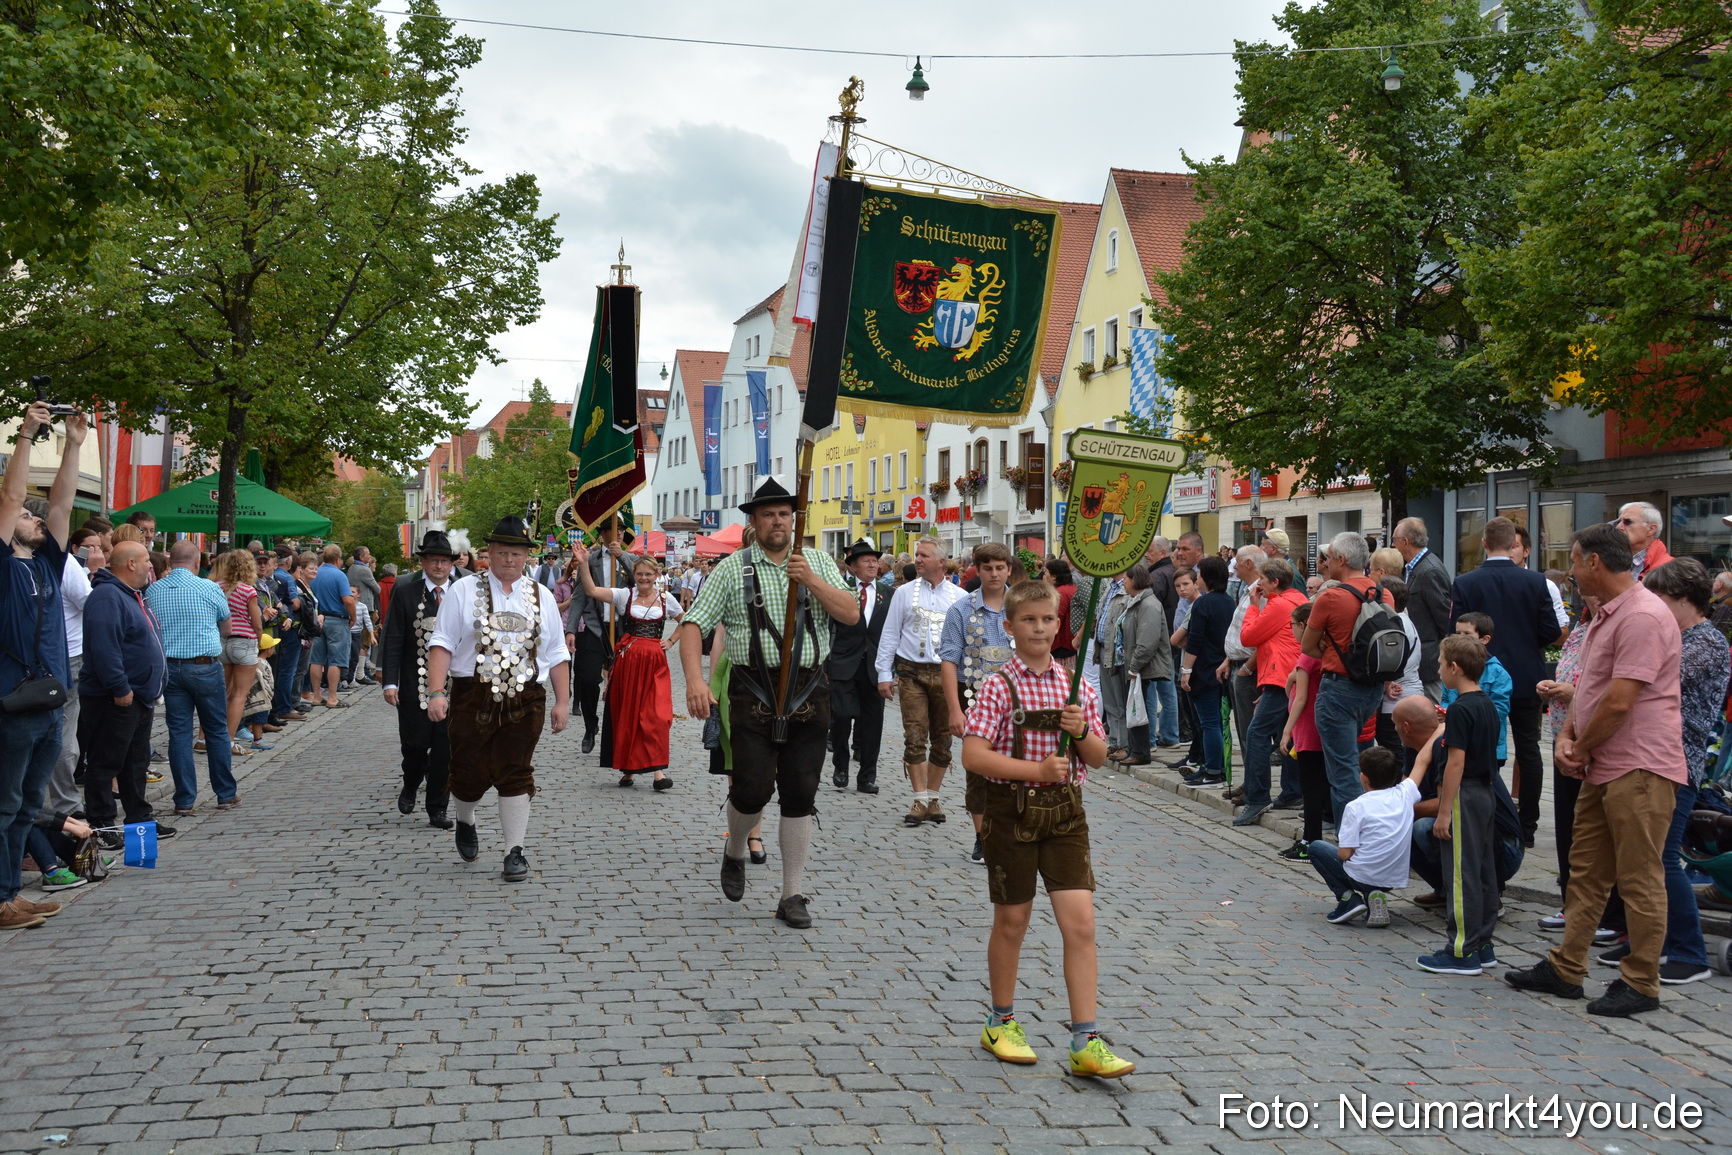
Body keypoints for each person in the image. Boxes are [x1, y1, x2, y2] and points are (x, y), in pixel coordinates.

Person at [1505, 524, 1687, 1017]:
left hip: (1640, 765)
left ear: (1595, 563)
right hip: (1605, 763)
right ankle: (1566, 967)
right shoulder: (1608, 614)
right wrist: (1568, 737)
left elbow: (1621, 701)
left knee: (1639, 877)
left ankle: (1641, 983)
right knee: (1585, 872)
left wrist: (1579, 745)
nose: (1570, 570)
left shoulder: (1642, 615)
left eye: (1574, 560)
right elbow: (1589, 688)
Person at [963, 579, 1132, 1079]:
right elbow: (973, 755)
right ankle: (1000, 1022)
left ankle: (1086, 1039)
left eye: (1047, 620)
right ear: (1010, 626)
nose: (1039, 628)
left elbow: (1097, 758)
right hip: (1010, 813)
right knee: (1012, 922)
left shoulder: (1076, 685)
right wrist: (1035, 770)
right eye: (1029, 620)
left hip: (1066, 816)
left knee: (1081, 925)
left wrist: (1080, 732)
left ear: (1059, 624)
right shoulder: (998, 686)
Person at [679, 478, 858, 930]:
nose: (777, 521)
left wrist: (810, 580)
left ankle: (791, 894)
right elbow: (693, 624)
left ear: (793, 520)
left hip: (809, 690)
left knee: (801, 792)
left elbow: (851, 613)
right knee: (752, 789)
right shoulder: (732, 569)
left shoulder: (818, 561)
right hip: (752, 690)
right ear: (754, 522)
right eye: (768, 515)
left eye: (784, 514)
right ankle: (735, 848)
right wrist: (696, 681)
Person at [1597, 559, 1728, 985]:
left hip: (1677, 761)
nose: (1651, 605)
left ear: (1684, 599)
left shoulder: (1706, 642)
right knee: (1638, 855)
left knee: (1661, 858)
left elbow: (1647, 679)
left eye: (1658, 597)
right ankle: (1647, 940)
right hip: (1651, 756)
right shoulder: (1679, 636)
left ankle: (1689, 953)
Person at [425, 517, 572, 883]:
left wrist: (562, 701)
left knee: (515, 770)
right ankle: (465, 819)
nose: (509, 559)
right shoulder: (463, 590)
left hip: (526, 696)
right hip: (472, 694)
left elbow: (556, 651)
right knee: (468, 771)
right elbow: (441, 642)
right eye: (503, 552)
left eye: (516, 553)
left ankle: (513, 850)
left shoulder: (541, 595)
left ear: (526, 556)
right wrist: (436, 692)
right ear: (488, 553)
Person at [0, 403, 85, 932]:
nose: (35, 519)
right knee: (5, 805)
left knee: (28, 805)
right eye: (26, 518)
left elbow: (62, 502)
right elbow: (12, 497)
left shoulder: (48, 562)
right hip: (13, 705)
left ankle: (10, 895)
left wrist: (73, 443)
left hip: (51, 703)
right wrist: (27, 434)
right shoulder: (4, 564)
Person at [1448, 516, 1564, 848]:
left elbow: (1454, 631)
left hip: (1480, 675)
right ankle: (1527, 826)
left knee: (1482, 746)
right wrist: (1526, 642)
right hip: (1527, 675)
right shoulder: (1536, 582)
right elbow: (1552, 630)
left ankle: (1488, 818)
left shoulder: (1466, 582)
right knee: (1528, 749)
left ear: (1484, 544)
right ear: (1514, 544)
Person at [1410, 634, 1503, 975]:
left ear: (1454, 667)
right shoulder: (1486, 703)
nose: (1438, 670)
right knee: (1483, 871)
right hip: (1485, 793)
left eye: (1440, 664)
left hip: (1465, 794)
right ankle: (1483, 943)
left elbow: (1455, 763)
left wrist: (1444, 811)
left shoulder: (1461, 709)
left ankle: (1462, 949)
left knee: (1461, 875)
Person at [79, 540, 174, 840]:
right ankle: (102, 824)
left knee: (135, 763)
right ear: (131, 564)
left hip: (140, 696)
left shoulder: (133, 595)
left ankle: (139, 821)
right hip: (116, 697)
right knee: (106, 762)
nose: (150, 566)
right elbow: (104, 648)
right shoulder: (107, 597)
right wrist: (119, 686)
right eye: (146, 560)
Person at [1393, 695, 1523, 912]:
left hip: (1503, 847)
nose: (1394, 729)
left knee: (1422, 827)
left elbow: (1447, 803)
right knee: (1400, 827)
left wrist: (1401, 810)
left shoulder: (1445, 745)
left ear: (1406, 727)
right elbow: (1404, 792)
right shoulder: (1414, 748)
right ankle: (1446, 890)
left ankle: (1487, 893)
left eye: (1395, 724)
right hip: (1475, 837)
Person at [875, 536, 967, 827]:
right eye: (917, 555)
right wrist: (884, 673)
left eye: (924, 555)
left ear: (941, 561)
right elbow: (890, 633)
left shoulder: (959, 596)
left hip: (946, 674)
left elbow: (966, 641)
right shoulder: (903, 593)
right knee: (914, 736)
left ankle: (933, 796)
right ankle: (919, 798)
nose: (917, 559)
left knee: (943, 739)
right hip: (911, 671)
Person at [574, 548, 682, 790]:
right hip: (629, 662)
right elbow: (592, 591)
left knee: (655, 715)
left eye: (648, 574)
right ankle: (630, 770)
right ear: (634, 575)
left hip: (655, 662)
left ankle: (658, 771)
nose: (644, 578)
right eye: (640, 574)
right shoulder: (625, 595)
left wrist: (672, 640)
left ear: (657, 575)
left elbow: (686, 619)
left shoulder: (666, 599)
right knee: (629, 713)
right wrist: (583, 563)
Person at [1300, 532, 1389, 824]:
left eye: (1328, 558)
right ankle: (1369, 827)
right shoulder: (1382, 593)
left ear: (1341, 559)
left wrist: (1331, 650)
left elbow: (1307, 646)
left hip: (1339, 688)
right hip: (1373, 687)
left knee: (1343, 770)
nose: (1325, 563)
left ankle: (1351, 837)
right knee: (1357, 760)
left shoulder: (1331, 597)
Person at [940, 542, 1017, 865]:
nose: (994, 574)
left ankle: (1013, 831)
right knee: (978, 768)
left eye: (1000, 568)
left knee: (1018, 763)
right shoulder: (961, 610)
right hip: (975, 695)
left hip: (1017, 698)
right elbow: (949, 661)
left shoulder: (1022, 604)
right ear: (978, 570)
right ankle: (983, 836)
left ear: (1009, 570)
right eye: (988, 568)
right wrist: (954, 710)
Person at [379, 530, 459, 829]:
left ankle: (437, 807)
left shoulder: (462, 593)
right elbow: (393, 638)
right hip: (415, 681)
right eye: (433, 560)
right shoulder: (406, 592)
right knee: (414, 745)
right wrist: (390, 681)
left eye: (444, 561)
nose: (439, 566)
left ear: (451, 564)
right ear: (423, 563)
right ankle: (411, 781)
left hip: (453, 685)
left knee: (445, 749)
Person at [1534, 593, 1600, 934]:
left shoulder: (1618, 626)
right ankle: (1569, 902)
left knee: (1588, 830)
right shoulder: (1583, 627)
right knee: (1568, 825)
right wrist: (1552, 686)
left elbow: (1608, 690)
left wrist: (1574, 693)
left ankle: (1595, 910)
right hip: (1564, 735)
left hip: (1592, 741)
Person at [1307, 746, 1423, 929]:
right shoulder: (1404, 794)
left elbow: (1345, 854)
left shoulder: (1356, 806)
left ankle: (1348, 898)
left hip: (1362, 876)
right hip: (1392, 879)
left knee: (1316, 848)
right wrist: (1439, 732)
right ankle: (1373, 896)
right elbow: (1422, 761)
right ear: (1396, 775)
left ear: (1363, 777)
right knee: (1368, 868)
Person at [1234, 558, 1309, 825]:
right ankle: (1292, 791)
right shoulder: (1297, 598)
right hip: (1289, 676)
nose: (1259, 585)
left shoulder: (1279, 605)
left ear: (1275, 582)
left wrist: (1254, 606)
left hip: (1282, 678)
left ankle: (1257, 797)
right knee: (1290, 735)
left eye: (1263, 580)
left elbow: (1248, 637)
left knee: (1257, 734)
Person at [564, 524, 636, 754]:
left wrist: (621, 556)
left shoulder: (632, 559)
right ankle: (590, 725)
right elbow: (578, 597)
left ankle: (616, 732)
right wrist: (571, 629)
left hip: (623, 628)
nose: (619, 534)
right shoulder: (590, 560)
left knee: (621, 683)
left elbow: (640, 582)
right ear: (603, 534)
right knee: (586, 679)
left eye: (622, 531)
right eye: (614, 530)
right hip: (594, 627)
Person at [827, 539, 890, 795]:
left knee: (872, 723)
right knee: (841, 717)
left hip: (875, 666)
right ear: (853, 567)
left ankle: (867, 776)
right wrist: (827, 662)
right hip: (843, 663)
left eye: (875, 560)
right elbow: (828, 627)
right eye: (866, 561)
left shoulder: (889, 594)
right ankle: (840, 766)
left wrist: (892, 669)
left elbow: (894, 632)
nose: (872, 564)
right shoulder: (841, 591)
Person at [1277, 602, 1328, 860]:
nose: (1292, 631)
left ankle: (1311, 840)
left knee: (1310, 788)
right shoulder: (1322, 652)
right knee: (1317, 785)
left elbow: (1299, 698)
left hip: (1307, 727)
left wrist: (1286, 731)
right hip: (1318, 726)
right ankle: (1311, 838)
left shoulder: (1307, 656)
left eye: (1292, 626)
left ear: (1303, 626)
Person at [1177, 556, 1233, 788]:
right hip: (1222, 668)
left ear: (1207, 577)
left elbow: (1195, 641)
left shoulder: (1203, 603)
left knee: (1209, 723)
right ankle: (1217, 767)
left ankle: (1212, 771)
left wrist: (1186, 670)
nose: (1197, 578)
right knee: (1218, 723)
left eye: (1199, 574)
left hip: (1204, 669)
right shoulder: (1229, 601)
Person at [1114, 563, 1173, 769]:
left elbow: (1147, 641)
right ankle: (1135, 750)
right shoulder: (1137, 601)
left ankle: (1140, 751)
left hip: (1141, 667)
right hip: (1132, 665)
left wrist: (1134, 666)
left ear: (1135, 580)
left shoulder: (1148, 604)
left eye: (1126, 579)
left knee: (1138, 708)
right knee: (1134, 707)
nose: (1124, 583)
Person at [1440, 613, 1513, 769]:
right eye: (1457, 633)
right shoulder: (1451, 668)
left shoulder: (1497, 673)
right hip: (1457, 739)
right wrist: (1445, 711)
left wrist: (1465, 716)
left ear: (1484, 639)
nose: (1460, 638)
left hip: (1487, 747)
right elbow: (1446, 698)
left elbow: (1499, 710)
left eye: (1467, 634)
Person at [1392, 518, 1451, 700]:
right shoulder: (1414, 567)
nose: (1393, 545)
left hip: (1429, 663)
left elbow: (1444, 618)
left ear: (1405, 542)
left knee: (1432, 710)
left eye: (1394, 540)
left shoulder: (1430, 571)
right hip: (1420, 659)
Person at [213, 548, 263, 759]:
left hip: (223, 642)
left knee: (223, 693)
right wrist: (259, 640)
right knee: (239, 695)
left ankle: (208, 737)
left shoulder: (217, 587)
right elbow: (256, 622)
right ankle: (229, 741)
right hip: (244, 642)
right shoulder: (248, 591)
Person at [1140, 537, 1182, 748]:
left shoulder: (1156, 576)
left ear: (1162, 552)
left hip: (1157, 640)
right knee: (1168, 689)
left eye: (1150, 551)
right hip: (1171, 638)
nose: (1146, 555)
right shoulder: (1174, 572)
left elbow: (1149, 611)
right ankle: (1170, 735)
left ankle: (1149, 739)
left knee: (1150, 689)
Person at [308, 544, 356, 707]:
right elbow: (348, 600)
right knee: (336, 660)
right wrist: (353, 617)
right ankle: (332, 697)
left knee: (316, 659)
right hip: (337, 620)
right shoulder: (339, 575)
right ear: (337, 559)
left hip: (317, 619)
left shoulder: (315, 573)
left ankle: (316, 696)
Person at [1617, 501, 1672, 580]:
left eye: (1628, 522)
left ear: (1651, 529)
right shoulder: (1613, 562)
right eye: (1619, 522)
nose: (1619, 527)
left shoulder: (1668, 570)